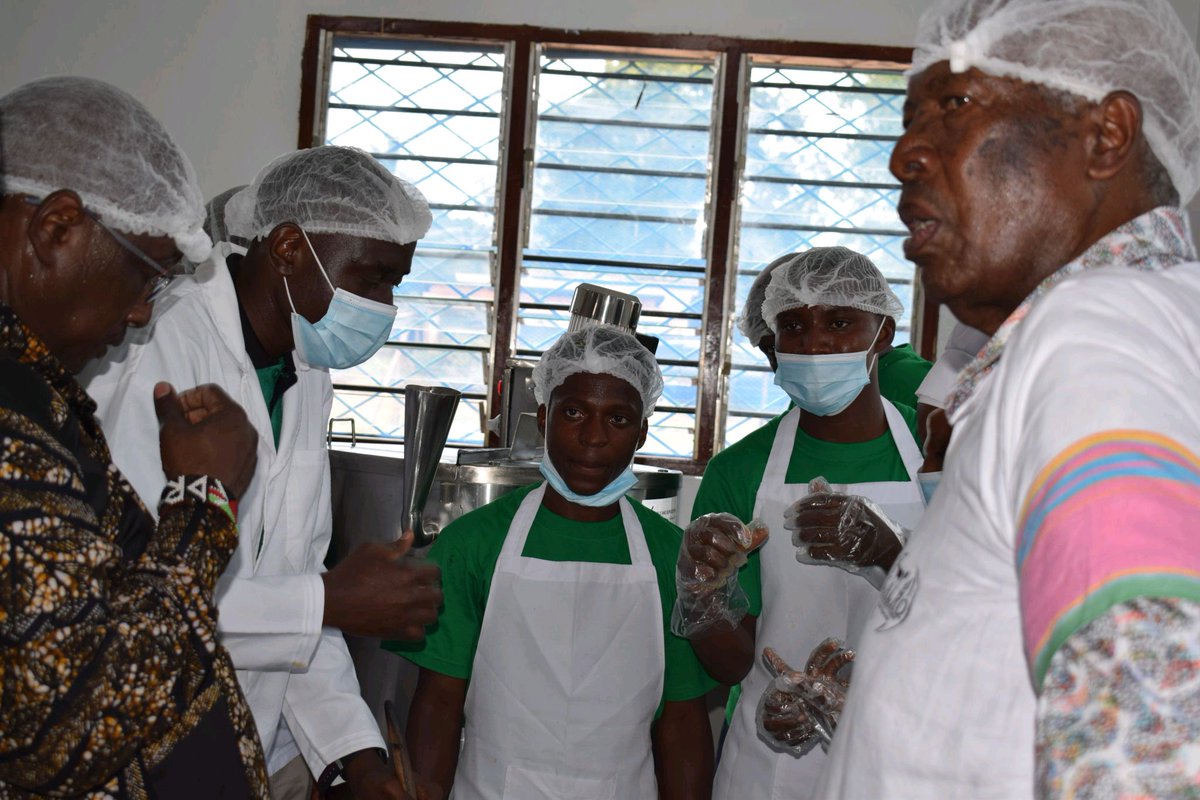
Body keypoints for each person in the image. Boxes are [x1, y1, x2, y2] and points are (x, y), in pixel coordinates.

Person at [814, 0, 1200, 796]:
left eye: (954, 106)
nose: (903, 155)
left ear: (1106, 137)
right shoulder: (1128, 332)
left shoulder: (1099, 329)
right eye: (908, 116)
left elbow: (1149, 730)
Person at [83, 145, 444, 799]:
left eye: (396, 283)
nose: (385, 306)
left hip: (251, 751)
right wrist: (330, 600)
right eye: (372, 277)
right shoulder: (163, 349)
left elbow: (298, 599)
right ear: (287, 247)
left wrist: (355, 759)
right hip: (143, 756)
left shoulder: (305, 370)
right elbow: (131, 597)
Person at [0, 76, 268, 797]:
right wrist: (204, 501)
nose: (142, 314)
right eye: (145, 276)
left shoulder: (36, 389)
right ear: (56, 228)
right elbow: (69, 721)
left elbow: (105, 604)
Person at [394, 325, 717, 800]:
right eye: (573, 412)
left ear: (643, 431)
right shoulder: (472, 544)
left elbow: (682, 722)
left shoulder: (673, 556)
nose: (592, 437)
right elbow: (439, 702)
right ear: (542, 419)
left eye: (618, 420)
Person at [675, 246, 925, 799]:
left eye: (839, 322)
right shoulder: (739, 471)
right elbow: (731, 662)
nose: (814, 343)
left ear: (882, 333)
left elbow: (985, 613)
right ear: (773, 346)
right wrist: (701, 597)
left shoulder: (937, 450)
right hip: (772, 758)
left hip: (909, 754)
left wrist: (892, 555)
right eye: (793, 325)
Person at [739, 253, 931, 407]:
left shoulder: (919, 390)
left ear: (883, 332)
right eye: (770, 351)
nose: (811, 349)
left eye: (838, 324)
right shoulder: (822, 396)